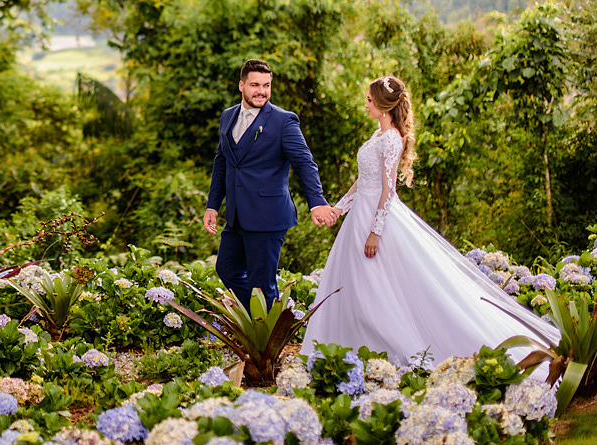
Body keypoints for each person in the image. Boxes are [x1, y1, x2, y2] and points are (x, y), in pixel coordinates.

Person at [300, 75, 559, 364]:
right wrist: (338, 209)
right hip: (359, 215)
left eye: (370, 100)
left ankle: (388, 347)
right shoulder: (377, 136)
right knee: (358, 282)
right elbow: (363, 181)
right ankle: (354, 344)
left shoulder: (391, 138)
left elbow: (388, 189)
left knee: (376, 284)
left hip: (377, 219)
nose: (366, 104)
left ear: (384, 106)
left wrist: (376, 231)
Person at [204, 59, 338, 310]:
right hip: (236, 215)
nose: (262, 91)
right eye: (255, 85)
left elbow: (304, 162)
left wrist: (317, 202)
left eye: (266, 85)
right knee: (227, 269)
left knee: (262, 284)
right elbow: (222, 161)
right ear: (241, 85)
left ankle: (267, 329)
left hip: (268, 215)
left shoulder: (283, 121)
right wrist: (213, 205)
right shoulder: (227, 116)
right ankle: (260, 318)